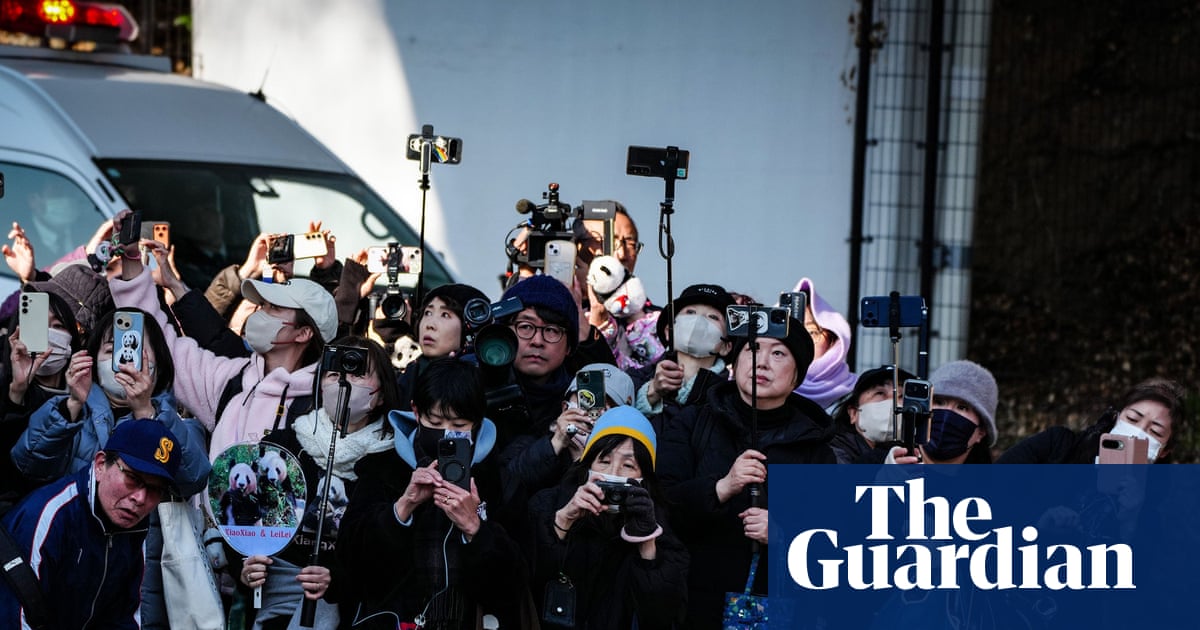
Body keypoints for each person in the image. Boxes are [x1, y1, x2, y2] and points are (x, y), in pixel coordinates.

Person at [109, 218, 338, 461]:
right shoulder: (231, 379)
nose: (261, 313)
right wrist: (132, 259)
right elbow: (160, 340)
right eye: (263, 305)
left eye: (274, 309)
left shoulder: (325, 404)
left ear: (303, 333)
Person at [658, 317, 834, 628]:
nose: (763, 362)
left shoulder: (815, 446)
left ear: (797, 375)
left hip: (778, 610)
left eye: (779, 353)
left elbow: (830, 540)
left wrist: (784, 535)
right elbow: (662, 501)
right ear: (735, 361)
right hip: (692, 604)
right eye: (752, 348)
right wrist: (722, 487)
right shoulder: (693, 422)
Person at [337, 358, 529, 629]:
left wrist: (475, 528)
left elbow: (514, 585)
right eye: (436, 421)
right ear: (416, 412)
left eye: (460, 425)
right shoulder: (382, 470)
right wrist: (402, 508)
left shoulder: (500, 482)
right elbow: (350, 565)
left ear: (477, 423)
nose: (447, 434)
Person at [239, 336, 401, 629]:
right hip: (278, 607)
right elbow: (249, 521)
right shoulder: (282, 447)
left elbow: (390, 555)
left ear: (381, 391)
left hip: (354, 612)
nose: (343, 382)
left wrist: (338, 579)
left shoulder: (394, 463)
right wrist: (248, 568)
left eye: (357, 372)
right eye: (334, 373)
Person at [0, 419, 184, 628]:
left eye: (155, 489)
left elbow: (124, 616)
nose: (140, 498)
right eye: (133, 478)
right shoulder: (48, 515)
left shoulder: (136, 526)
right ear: (100, 465)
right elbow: (12, 617)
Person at [526, 406, 688, 629]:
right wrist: (563, 521)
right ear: (588, 464)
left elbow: (662, 615)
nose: (614, 473)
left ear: (644, 478)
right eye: (604, 461)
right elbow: (530, 584)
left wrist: (647, 542)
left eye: (628, 465)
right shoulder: (547, 505)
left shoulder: (659, 525)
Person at [998, 377, 1186, 464]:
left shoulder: (1160, 503)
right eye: (1132, 419)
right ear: (1116, 417)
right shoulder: (1056, 446)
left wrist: (1131, 514)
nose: (1137, 434)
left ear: (1165, 450)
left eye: (1155, 432)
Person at [632, 283, 736, 430]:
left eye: (713, 317)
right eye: (690, 312)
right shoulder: (632, 380)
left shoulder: (731, 399)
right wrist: (652, 392)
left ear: (726, 346)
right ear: (669, 331)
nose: (698, 321)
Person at [577, 204, 664, 371]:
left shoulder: (654, 320)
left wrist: (633, 311)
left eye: (630, 243)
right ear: (577, 247)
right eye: (609, 241)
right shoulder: (560, 313)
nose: (622, 254)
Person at [395, 283, 491, 410]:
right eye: (428, 313)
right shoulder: (409, 374)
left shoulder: (483, 382)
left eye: (445, 315)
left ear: (468, 329)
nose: (430, 325)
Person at [885, 359, 999, 465]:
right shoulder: (880, 464)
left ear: (981, 432)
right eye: (939, 402)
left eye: (962, 407)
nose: (946, 414)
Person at [790, 277, 857, 410]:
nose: (801, 341)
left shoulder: (858, 391)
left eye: (812, 332)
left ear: (833, 341)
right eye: (792, 332)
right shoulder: (761, 387)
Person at [828, 365, 916, 464]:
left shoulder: (922, 451)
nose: (893, 403)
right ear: (853, 413)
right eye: (880, 393)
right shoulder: (831, 453)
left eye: (902, 396)